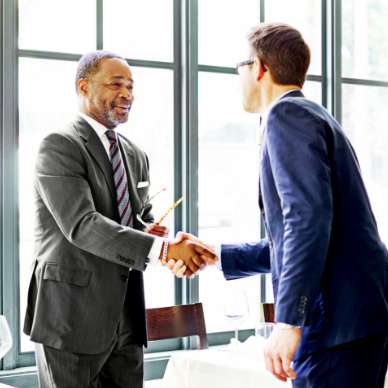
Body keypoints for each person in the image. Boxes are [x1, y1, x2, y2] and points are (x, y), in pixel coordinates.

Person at [168, 23, 388, 388]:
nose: (238, 77)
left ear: (258, 67)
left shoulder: (286, 117)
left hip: (335, 323)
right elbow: (310, 234)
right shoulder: (314, 116)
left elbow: (307, 220)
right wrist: (219, 255)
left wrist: (289, 322)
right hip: (356, 316)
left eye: (239, 67)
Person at [23, 50, 215, 388]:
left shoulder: (135, 154)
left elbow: (138, 218)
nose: (127, 94)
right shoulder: (59, 146)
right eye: (116, 84)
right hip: (70, 320)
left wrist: (152, 232)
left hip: (127, 320)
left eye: (131, 86)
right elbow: (82, 226)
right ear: (83, 86)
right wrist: (165, 251)